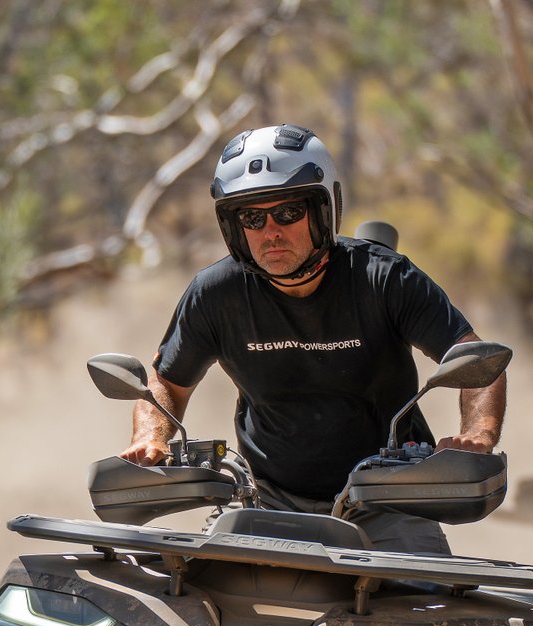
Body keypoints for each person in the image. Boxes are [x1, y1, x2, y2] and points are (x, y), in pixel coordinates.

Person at [119, 123, 506, 554]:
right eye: (252, 217)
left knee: (429, 609)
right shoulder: (215, 294)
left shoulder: (384, 278)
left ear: (323, 210)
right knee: (190, 592)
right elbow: (165, 381)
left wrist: (478, 435)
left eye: (288, 213)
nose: (271, 232)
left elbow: (476, 362)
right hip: (265, 499)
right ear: (233, 225)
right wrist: (150, 437)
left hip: (387, 497)